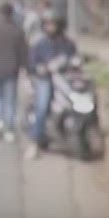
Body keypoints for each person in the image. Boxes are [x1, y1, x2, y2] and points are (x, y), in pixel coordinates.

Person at [26, 9, 78, 159]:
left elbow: (75, 58)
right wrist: (40, 68)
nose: (50, 27)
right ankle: (35, 142)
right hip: (46, 80)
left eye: (53, 24)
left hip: (66, 79)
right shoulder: (40, 44)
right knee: (42, 106)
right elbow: (32, 63)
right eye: (47, 24)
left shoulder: (68, 43)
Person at [0, 2, 30, 141]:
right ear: (11, 13)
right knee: (10, 100)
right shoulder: (16, 30)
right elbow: (24, 52)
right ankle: (9, 128)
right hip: (11, 70)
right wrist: (26, 68)